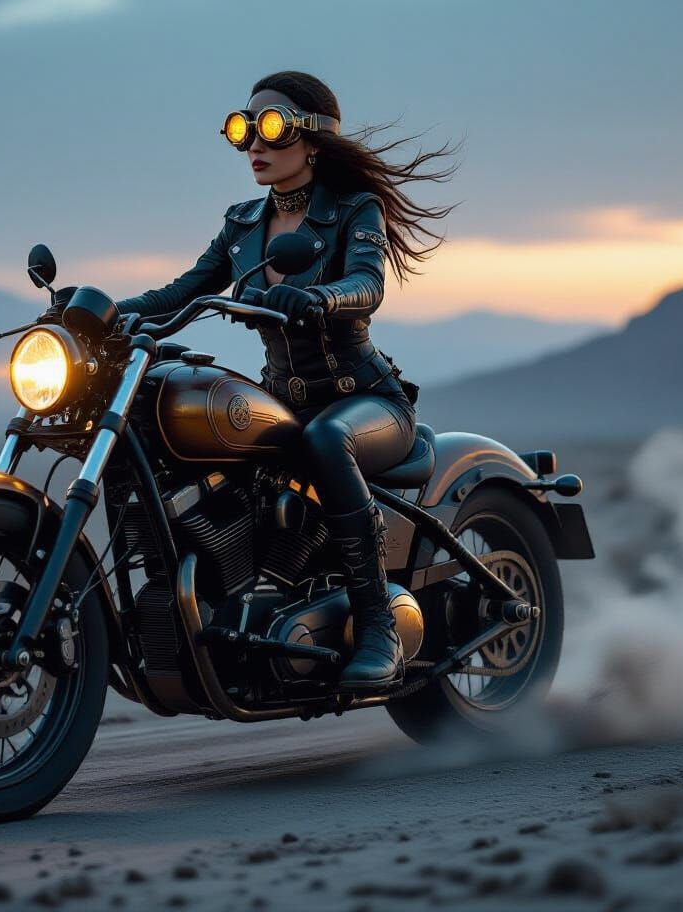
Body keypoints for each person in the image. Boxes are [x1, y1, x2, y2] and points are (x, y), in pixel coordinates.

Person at [115, 70, 458, 691]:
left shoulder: (355, 209)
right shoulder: (243, 223)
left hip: (365, 403)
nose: (254, 143)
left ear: (314, 140)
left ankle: (376, 622)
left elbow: (367, 284)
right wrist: (105, 315)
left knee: (326, 440)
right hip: (284, 402)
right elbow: (182, 292)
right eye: (244, 128)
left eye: (271, 127)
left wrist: (322, 299)